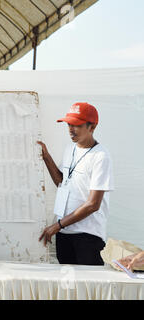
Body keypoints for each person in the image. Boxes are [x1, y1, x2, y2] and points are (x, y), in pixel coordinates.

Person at [37, 102, 114, 265]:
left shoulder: (101, 156)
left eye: (77, 125)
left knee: (89, 286)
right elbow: (62, 182)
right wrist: (46, 157)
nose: (71, 129)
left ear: (92, 127)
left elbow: (93, 204)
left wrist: (57, 225)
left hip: (87, 236)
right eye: (69, 124)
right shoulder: (70, 149)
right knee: (67, 286)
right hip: (65, 233)